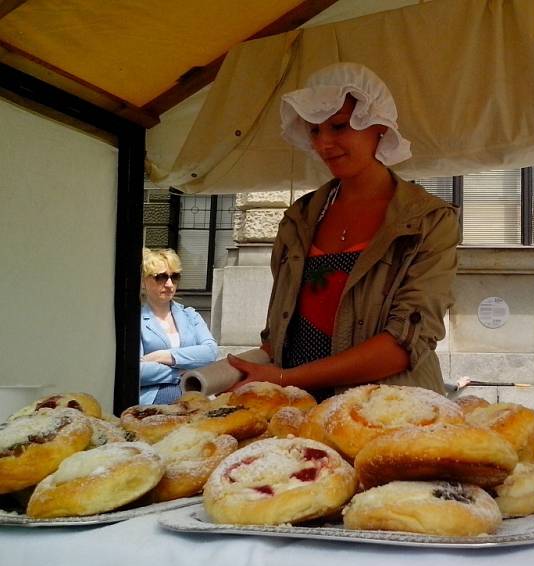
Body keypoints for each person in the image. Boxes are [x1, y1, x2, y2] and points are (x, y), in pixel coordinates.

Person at [227, 62, 458, 399]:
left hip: (389, 413)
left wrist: (285, 378)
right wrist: (247, 369)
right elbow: (280, 329)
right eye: (314, 130)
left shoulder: (429, 220)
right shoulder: (300, 217)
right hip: (300, 409)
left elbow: (404, 343)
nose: (323, 144)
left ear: (378, 126)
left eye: (338, 126)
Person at [140, 247, 218, 404]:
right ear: (143, 281)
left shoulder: (190, 315)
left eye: (174, 277)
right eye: (161, 277)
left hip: (194, 392)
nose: (169, 284)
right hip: (156, 396)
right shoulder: (137, 320)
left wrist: (164, 356)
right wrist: (183, 371)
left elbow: (211, 352)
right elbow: (137, 371)